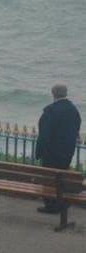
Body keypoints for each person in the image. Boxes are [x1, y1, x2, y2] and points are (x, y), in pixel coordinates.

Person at [34, 83, 81, 213]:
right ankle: (61, 203)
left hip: (51, 153)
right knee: (62, 178)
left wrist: (39, 152)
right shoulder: (73, 110)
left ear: (53, 94)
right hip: (67, 152)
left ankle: (51, 206)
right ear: (65, 94)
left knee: (49, 179)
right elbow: (76, 128)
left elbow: (44, 134)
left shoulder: (50, 110)